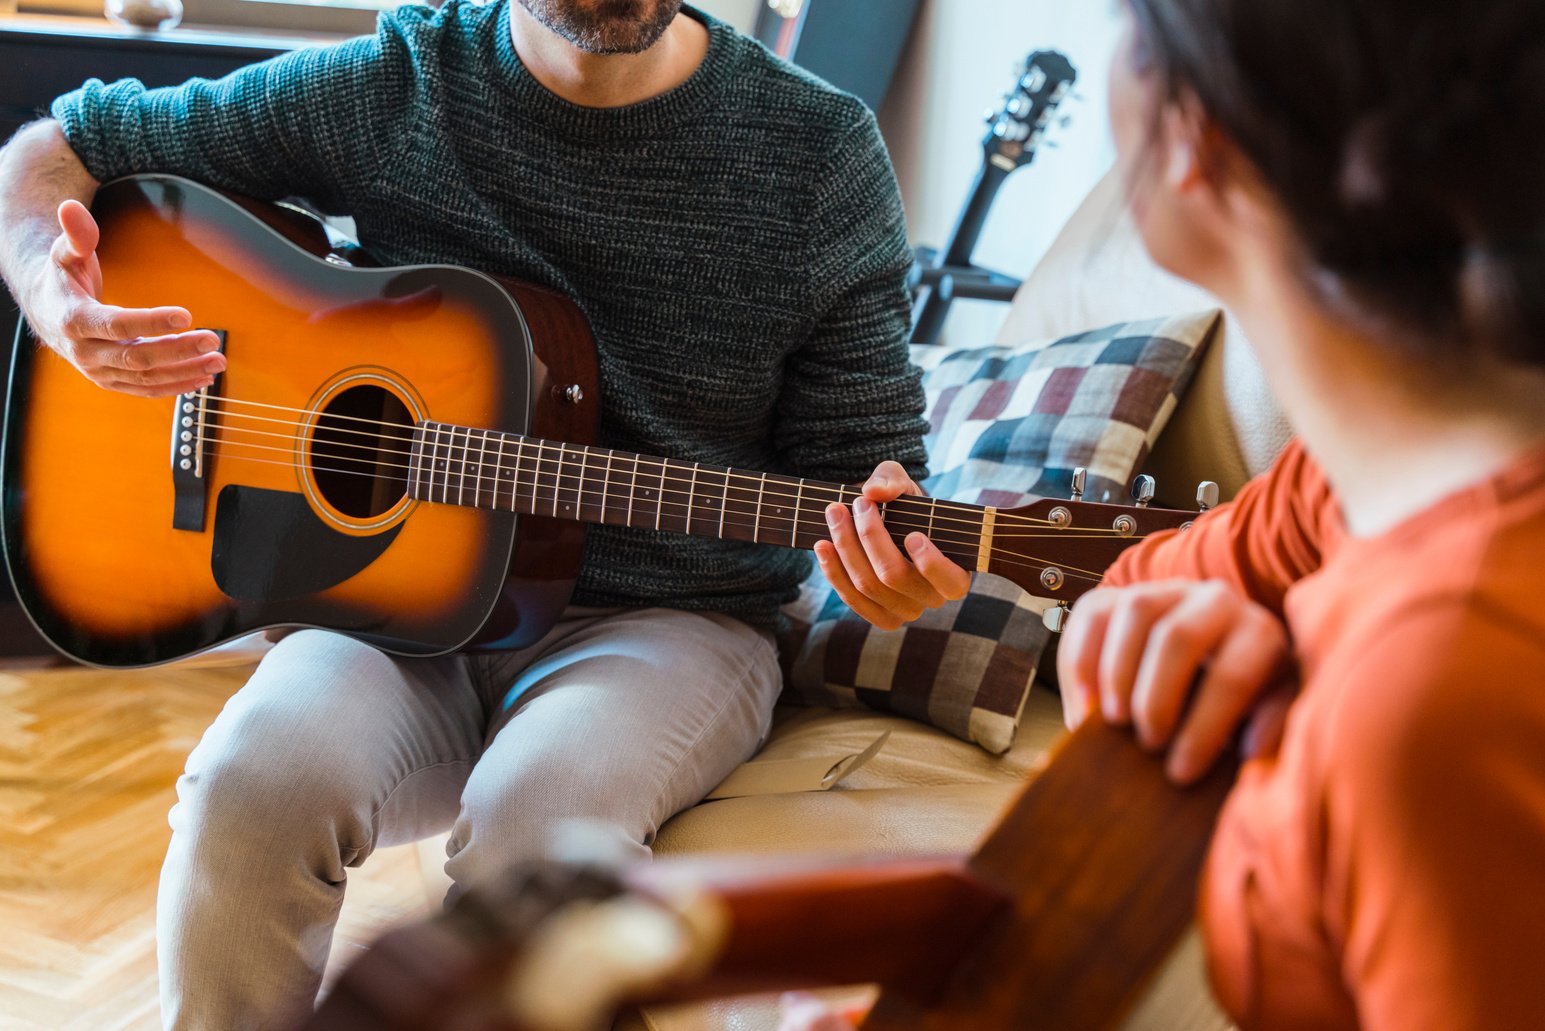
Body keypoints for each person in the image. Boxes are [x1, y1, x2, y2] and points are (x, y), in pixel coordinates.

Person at [0, 2, 970, 1027]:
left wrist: (890, 566)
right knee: (249, 785)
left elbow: (863, 466)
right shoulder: (403, 80)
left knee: (538, 835)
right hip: (401, 616)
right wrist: (53, 296)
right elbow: (45, 153)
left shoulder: (815, 150)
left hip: (675, 620)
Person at [793, 0, 1545, 1027]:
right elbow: (1142, 584)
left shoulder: (1439, 692)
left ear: (1199, 141)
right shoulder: (1337, 487)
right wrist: (1253, 652)